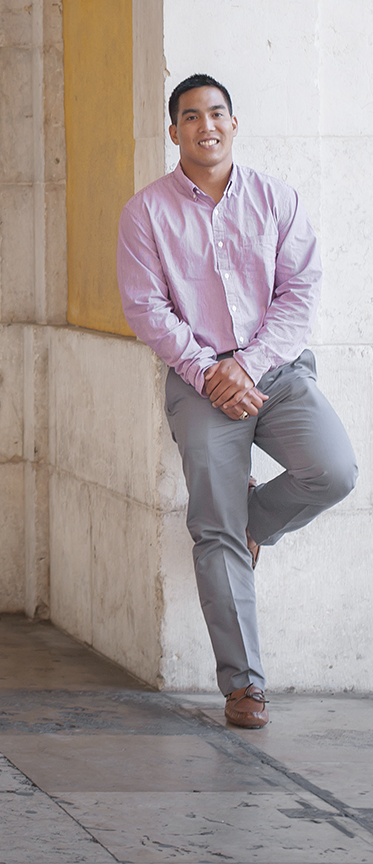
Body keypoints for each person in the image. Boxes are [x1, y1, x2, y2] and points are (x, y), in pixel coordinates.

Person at [117, 74, 358, 731]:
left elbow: (298, 294)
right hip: (198, 383)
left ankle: (256, 520)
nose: (206, 125)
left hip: (275, 371)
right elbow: (146, 308)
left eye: (217, 112)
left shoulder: (277, 199)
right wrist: (209, 371)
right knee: (211, 526)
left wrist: (245, 366)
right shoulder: (146, 212)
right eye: (191, 116)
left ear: (234, 121)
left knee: (334, 470)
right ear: (174, 131)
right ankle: (244, 685)